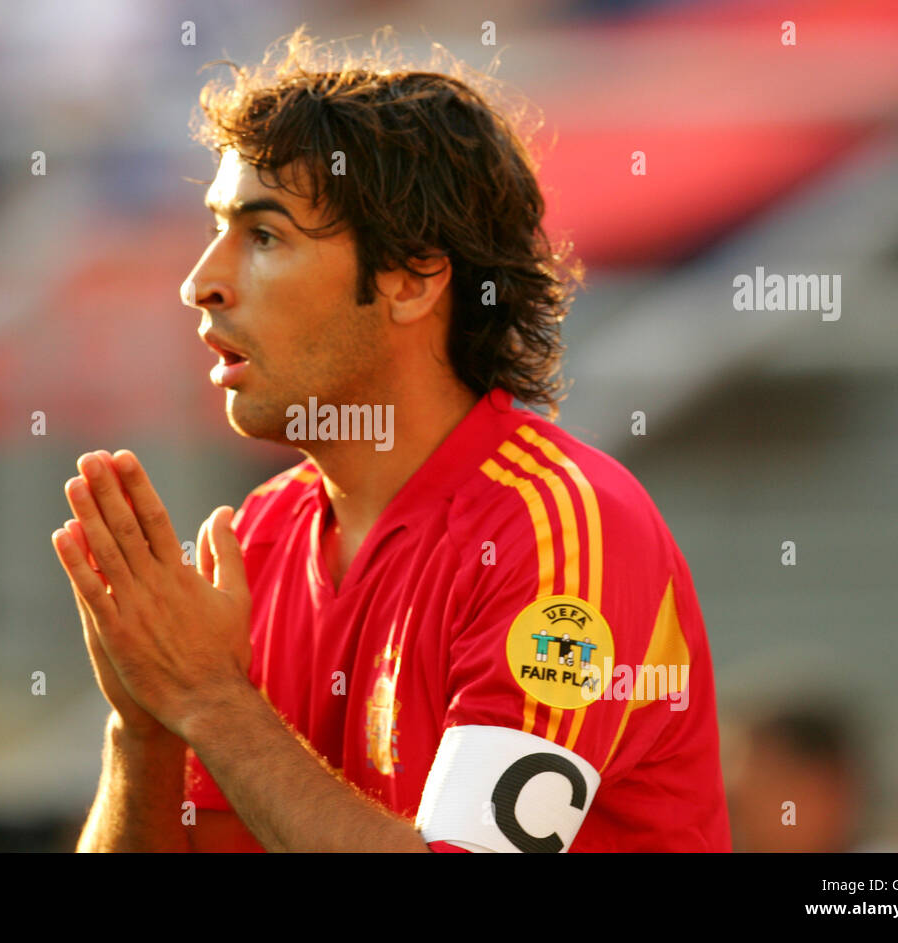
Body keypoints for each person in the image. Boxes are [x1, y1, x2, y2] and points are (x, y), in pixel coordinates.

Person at [51, 27, 729, 852]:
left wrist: (208, 698)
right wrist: (145, 728)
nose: (201, 281)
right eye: (215, 227)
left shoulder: (561, 535)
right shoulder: (256, 542)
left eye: (264, 236)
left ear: (412, 278)